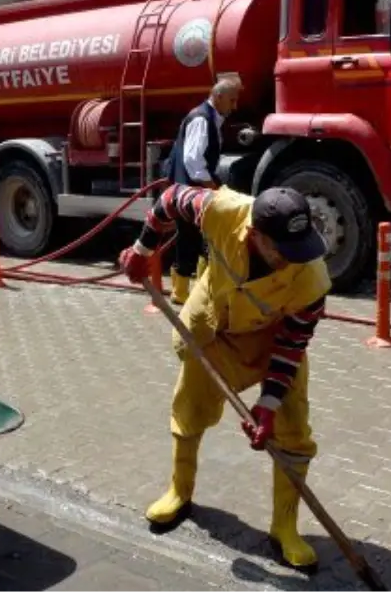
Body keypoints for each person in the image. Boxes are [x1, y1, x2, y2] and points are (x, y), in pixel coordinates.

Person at [118, 183, 330, 573]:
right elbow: (168, 200)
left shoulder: (311, 279)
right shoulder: (220, 210)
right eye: (281, 249)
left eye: (299, 247)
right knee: (191, 403)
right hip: (213, 325)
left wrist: (267, 405)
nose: (292, 259)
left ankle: (284, 527)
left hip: (272, 340)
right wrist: (143, 251)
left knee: (293, 425)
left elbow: (292, 344)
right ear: (255, 236)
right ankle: (179, 491)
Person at [161, 77, 240, 304]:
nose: (234, 107)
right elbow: (193, 161)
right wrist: (213, 187)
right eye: (232, 101)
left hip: (191, 187)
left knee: (198, 237)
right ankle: (181, 291)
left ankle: (198, 287)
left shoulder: (210, 118)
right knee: (189, 237)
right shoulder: (201, 119)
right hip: (190, 188)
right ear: (218, 97)